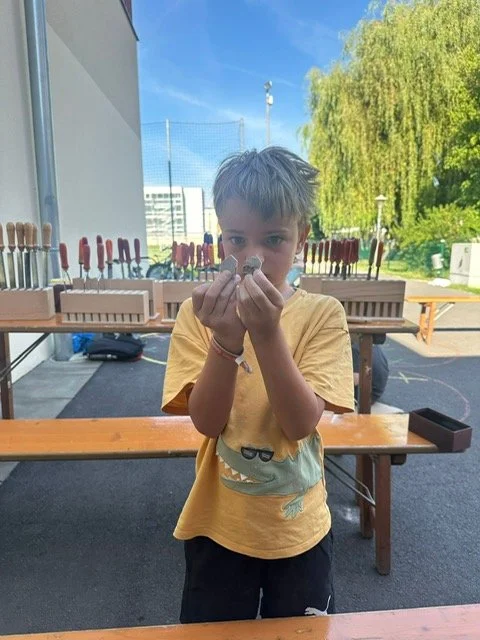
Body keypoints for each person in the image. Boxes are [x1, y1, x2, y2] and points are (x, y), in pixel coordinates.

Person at [162, 147, 354, 624]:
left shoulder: (323, 315)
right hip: (218, 524)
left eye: (273, 239)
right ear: (220, 239)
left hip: (300, 526)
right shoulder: (200, 314)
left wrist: (266, 334)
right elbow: (207, 423)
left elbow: (300, 423)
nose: (252, 258)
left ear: (301, 238)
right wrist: (227, 340)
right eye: (236, 239)